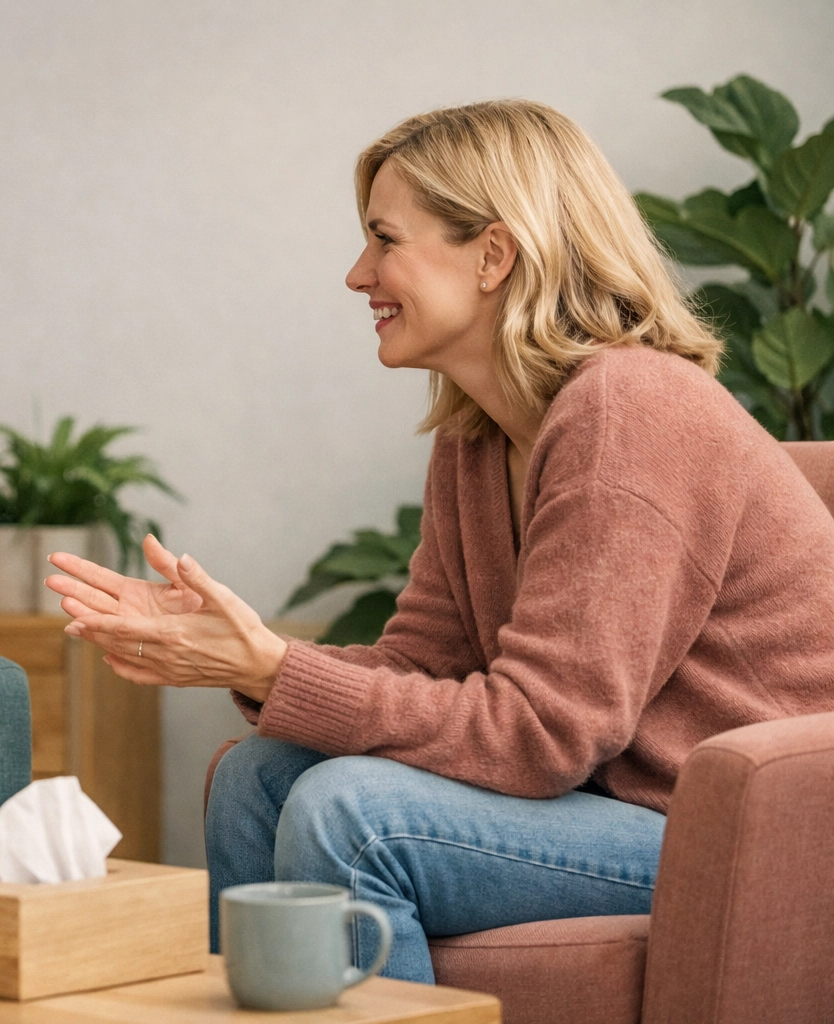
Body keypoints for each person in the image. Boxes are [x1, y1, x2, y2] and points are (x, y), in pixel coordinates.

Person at [44, 99, 834, 981]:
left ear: (494, 254)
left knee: (351, 812)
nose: (356, 274)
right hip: (614, 803)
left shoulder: (630, 411)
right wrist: (241, 656)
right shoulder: (478, 439)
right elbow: (426, 669)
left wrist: (274, 668)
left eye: (385, 240)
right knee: (254, 779)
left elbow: (540, 733)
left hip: (752, 833)